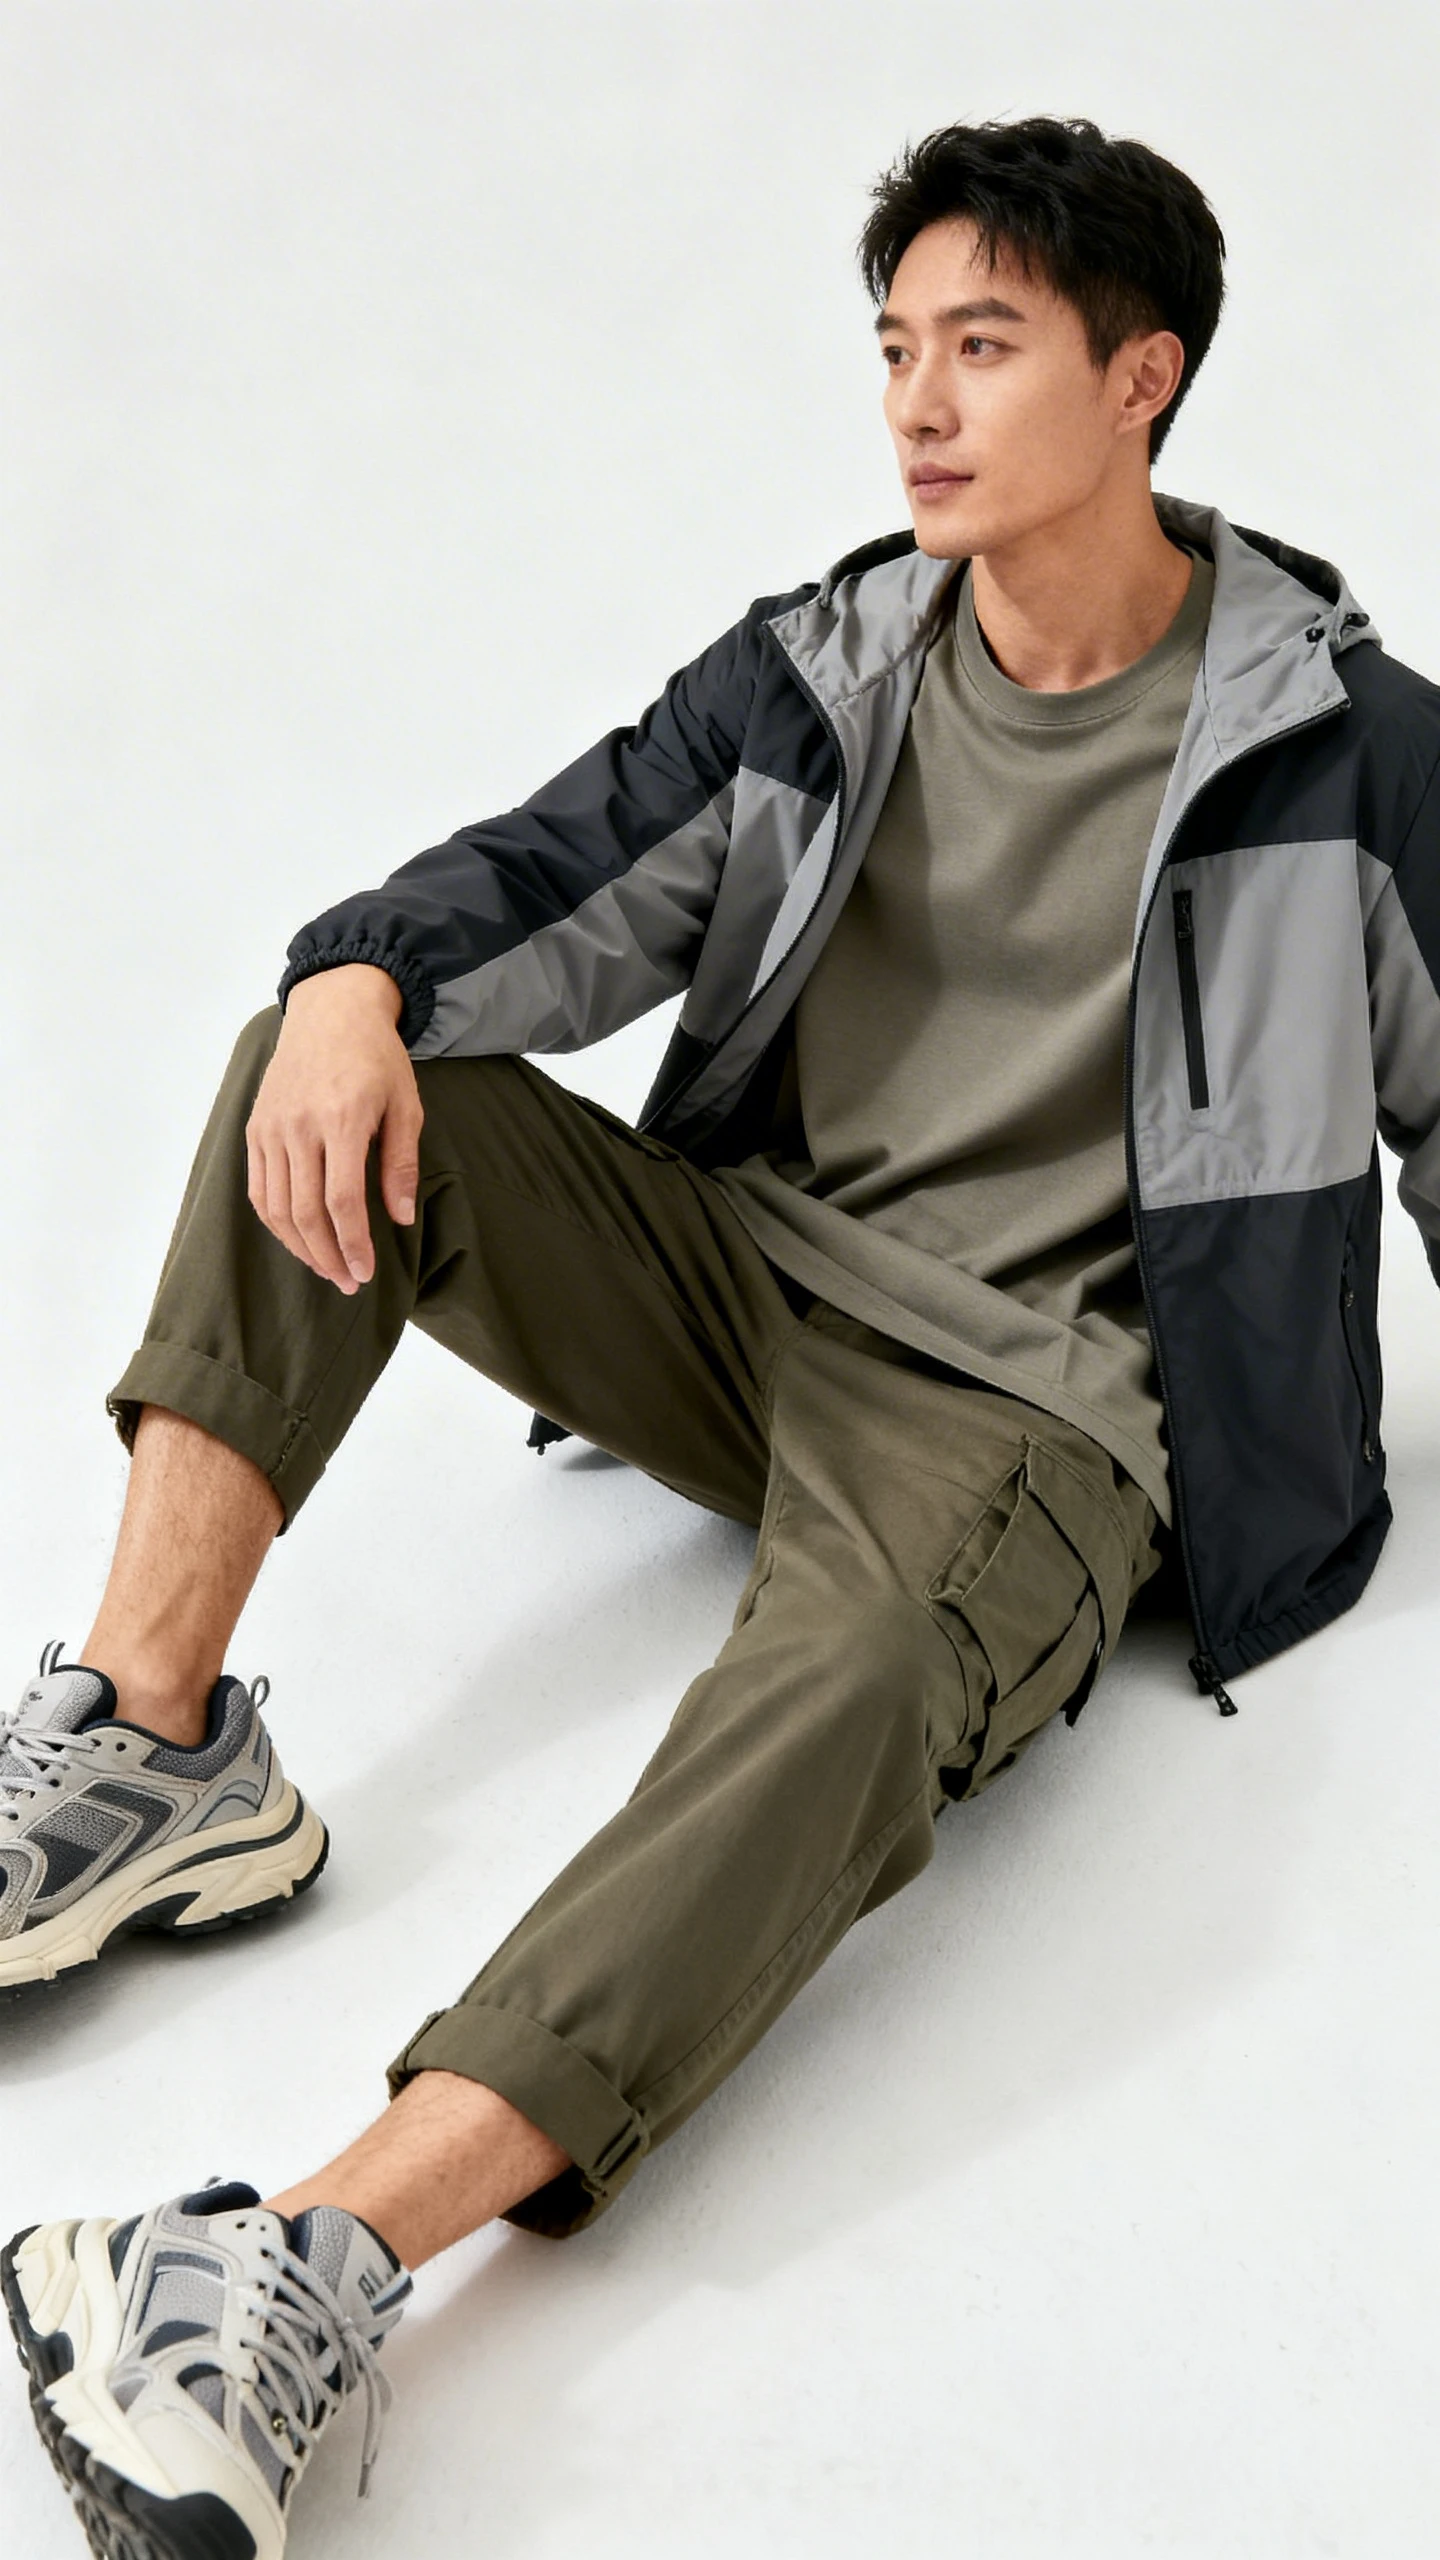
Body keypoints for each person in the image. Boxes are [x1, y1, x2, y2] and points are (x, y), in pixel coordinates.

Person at [6, 111, 1438, 2560]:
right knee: (329, 1064)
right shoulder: (828, 662)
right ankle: (155, 1751)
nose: (919, 403)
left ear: (1145, 378)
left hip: (1042, 1419)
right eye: (897, 349)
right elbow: (549, 878)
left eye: (983, 344)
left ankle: (310, 2257)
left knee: (862, 1674)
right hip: (743, 1286)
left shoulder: (1362, 756)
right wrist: (353, 971)